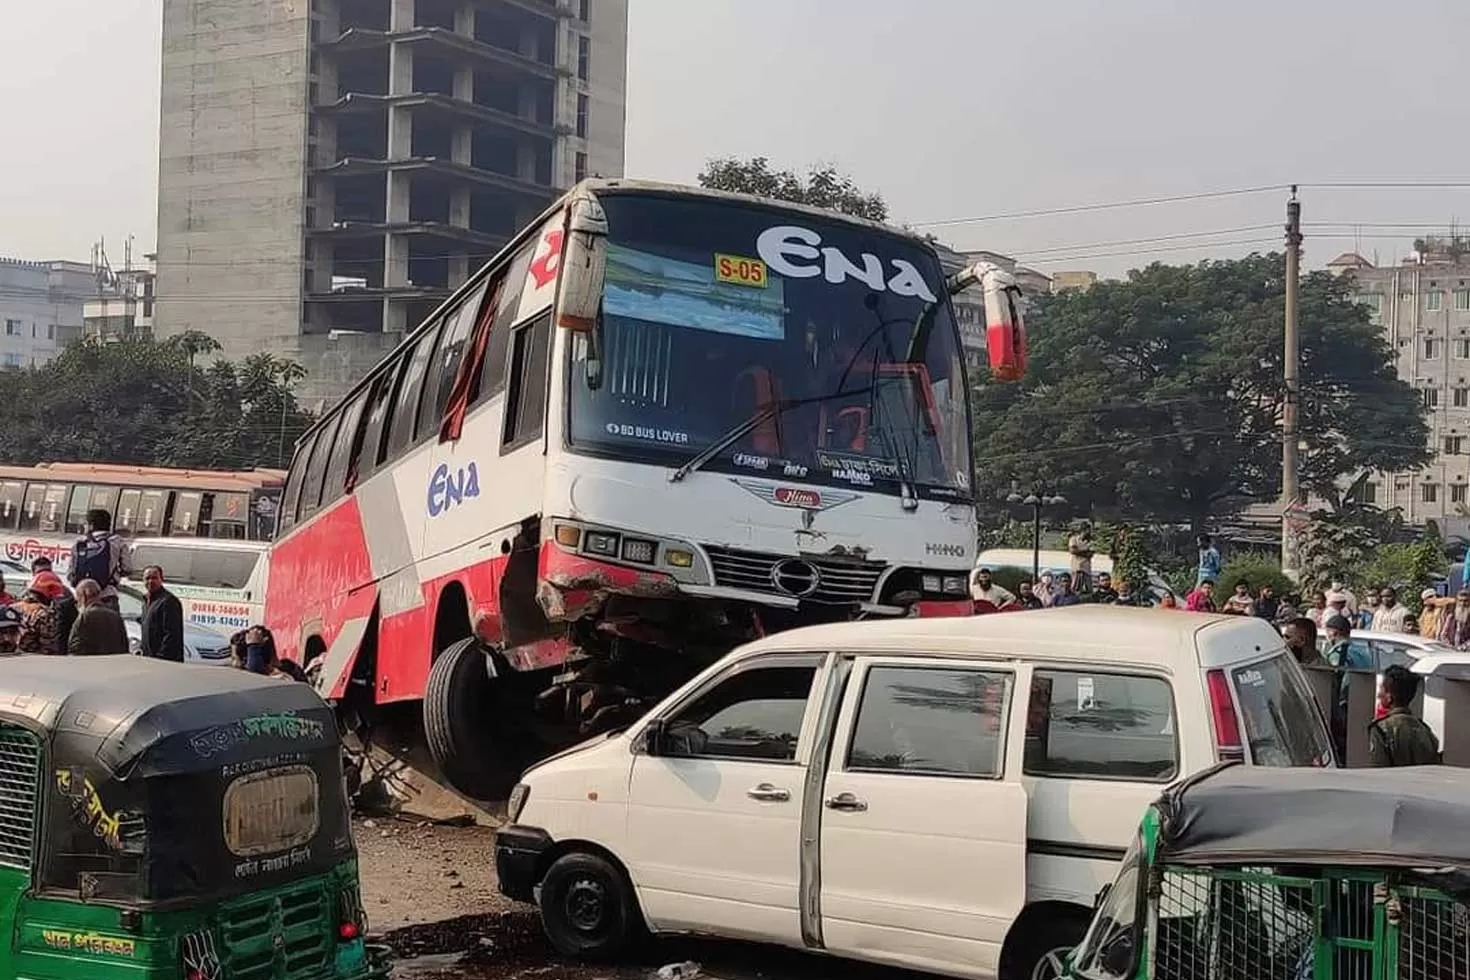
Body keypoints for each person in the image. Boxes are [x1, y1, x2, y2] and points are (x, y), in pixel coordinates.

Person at [1368, 665, 1441, 767]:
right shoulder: (1425, 731)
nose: (1378, 695)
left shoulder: (1381, 730)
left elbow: (1378, 769)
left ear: (1389, 697)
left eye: (1382, 689)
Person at [1322, 614, 1371, 761]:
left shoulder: (1339, 652)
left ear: (1334, 633)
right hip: (1362, 703)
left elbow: (1334, 677)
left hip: (1343, 706)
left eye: (1327, 632)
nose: (1327, 636)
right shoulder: (1362, 651)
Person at [69, 508, 131, 611]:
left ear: (91, 525)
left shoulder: (79, 542)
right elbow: (128, 568)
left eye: (86, 524)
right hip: (108, 595)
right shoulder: (117, 541)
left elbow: (70, 573)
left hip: (84, 598)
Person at [68, 578, 129, 655]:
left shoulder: (84, 617)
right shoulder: (116, 616)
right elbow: (124, 646)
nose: (78, 604)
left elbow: (75, 648)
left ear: (84, 597)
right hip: (114, 664)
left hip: (91, 664)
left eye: (78, 600)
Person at [138, 565, 184, 663]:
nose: (150, 581)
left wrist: (160, 658)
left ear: (161, 579)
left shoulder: (168, 601)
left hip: (164, 661)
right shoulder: (146, 602)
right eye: (147, 578)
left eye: (154, 578)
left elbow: (171, 635)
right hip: (149, 660)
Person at [11, 578, 61, 654]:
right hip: (34, 656)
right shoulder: (44, 613)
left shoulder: (12, 608)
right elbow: (48, 644)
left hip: (11, 654)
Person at [1068, 526, 1094, 594]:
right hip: (1076, 568)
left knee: (1089, 589)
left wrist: (1078, 551)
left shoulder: (1090, 541)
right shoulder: (1073, 539)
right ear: (1082, 531)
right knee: (1074, 588)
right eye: (1087, 531)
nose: (1088, 532)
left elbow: (1090, 554)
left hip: (1086, 569)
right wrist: (1085, 551)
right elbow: (1072, 551)